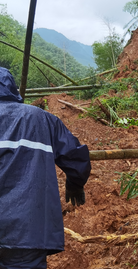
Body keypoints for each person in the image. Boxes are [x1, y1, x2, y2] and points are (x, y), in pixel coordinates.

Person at [0, 67, 91, 268]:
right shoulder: (42, 119)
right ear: (13, 89)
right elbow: (75, 156)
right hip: (27, 231)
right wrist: (75, 184)